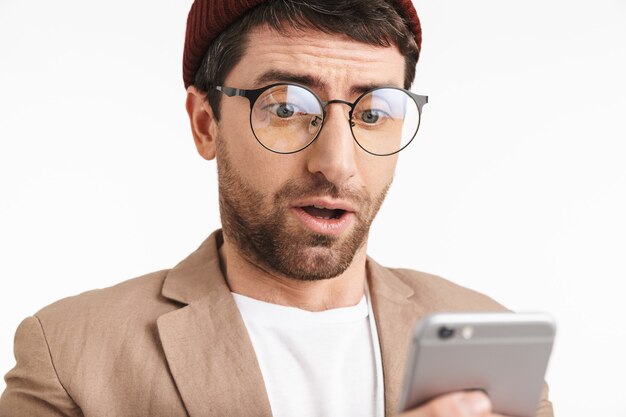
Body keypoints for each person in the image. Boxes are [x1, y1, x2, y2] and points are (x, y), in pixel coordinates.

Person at [0, 1, 553, 416]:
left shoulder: (490, 344)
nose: (336, 163)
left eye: (375, 111)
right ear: (205, 123)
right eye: (286, 105)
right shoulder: (69, 354)